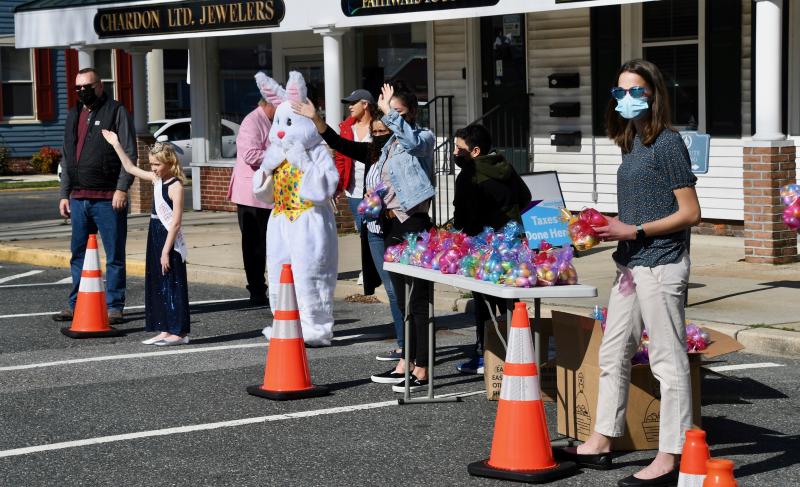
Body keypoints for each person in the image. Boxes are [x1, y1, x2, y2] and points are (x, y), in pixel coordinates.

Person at [556, 59, 700, 487]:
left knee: (667, 362)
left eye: (635, 90)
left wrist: (631, 229)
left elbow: (691, 212)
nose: (626, 99)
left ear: (653, 94)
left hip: (662, 264)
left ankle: (670, 456)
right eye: (619, 92)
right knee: (612, 352)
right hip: (631, 264)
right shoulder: (633, 142)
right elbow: (642, 207)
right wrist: (606, 227)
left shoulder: (668, 143)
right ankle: (601, 440)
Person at [292, 97, 406, 362]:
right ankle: (403, 346)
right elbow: (337, 142)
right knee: (389, 290)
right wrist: (315, 118)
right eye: (374, 132)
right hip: (374, 229)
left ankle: (410, 349)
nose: (378, 136)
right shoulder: (371, 153)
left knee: (398, 290)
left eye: (383, 132)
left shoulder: (403, 152)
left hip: (396, 227)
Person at [255, 71, 339, 347]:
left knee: (309, 272)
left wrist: (302, 161)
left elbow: (325, 187)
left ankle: (315, 327)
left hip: (308, 220)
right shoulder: (276, 153)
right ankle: (284, 321)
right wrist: (267, 167)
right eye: (278, 122)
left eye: (288, 122)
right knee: (280, 271)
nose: (280, 129)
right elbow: (263, 193)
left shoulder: (316, 150)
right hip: (280, 219)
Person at [366, 82, 436, 392]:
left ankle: (422, 369)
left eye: (399, 113)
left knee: (417, 300)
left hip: (414, 223)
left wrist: (387, 114)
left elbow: (414, 144)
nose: (393, 118)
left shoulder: (422, 138)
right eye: (390, 112)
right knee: (403, 302)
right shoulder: (390, 144)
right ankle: (405, 361)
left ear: (412, 113)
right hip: (392, 224)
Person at [53, 68, 136, 325]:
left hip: (108, 198)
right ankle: (76, 303)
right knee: (78, 254)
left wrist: (122, 188)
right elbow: (67, 156)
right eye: (77, 88)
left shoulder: (116, 111)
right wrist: (64, 193)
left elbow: (129, 152)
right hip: (78, 198)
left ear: (100, 86)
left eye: (86, 86)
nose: (81, 92)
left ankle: (114, 306)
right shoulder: (74, 114)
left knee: (114, 255)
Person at [451, 124, 531, 375]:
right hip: (512, 243)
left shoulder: (469, 176)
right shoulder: (503, 166)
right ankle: (519, 352)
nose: (454, 152)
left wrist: (461, 233)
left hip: (483, 247)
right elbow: (526, 196)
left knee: (484, 301)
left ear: (474, 151)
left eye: (458, 148)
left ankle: (486, 354)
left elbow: (464, 217)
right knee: (509, 299)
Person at [101, 131, 191, 346]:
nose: (153, 169)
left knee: (172, 283)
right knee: (158, 282)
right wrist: (116, 144)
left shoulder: (176, 186)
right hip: (155, 231)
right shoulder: (156, 179)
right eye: (151, 165)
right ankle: (164, 328)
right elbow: (130, 168)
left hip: (168, 237)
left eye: (157, 165)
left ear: (169, 163)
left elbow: (176, 222)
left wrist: (165, 251)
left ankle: (178, 332)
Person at [228, 98, 275, 305]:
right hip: (251, 194)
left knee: (271, 243)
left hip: (268, 193)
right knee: (254, 245)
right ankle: (256, 289)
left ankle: (272, 287)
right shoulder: (252, 121)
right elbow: (250, 155)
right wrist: (281, 157)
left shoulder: (273, 120)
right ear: (268, 103)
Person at [337, 89, 378, 232]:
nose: (350, 106)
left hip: (376, 189)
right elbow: (340, 158)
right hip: (354, 190)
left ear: (365, 104)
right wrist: (339, 185)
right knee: (362, 229)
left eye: (354, 103)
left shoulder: (379, 126)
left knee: (375, 230)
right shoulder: (347, 128)